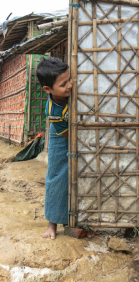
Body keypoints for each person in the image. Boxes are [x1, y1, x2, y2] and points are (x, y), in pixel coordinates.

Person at [36, 57, 72, 239]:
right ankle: (52, 224)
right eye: (63, 84)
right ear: (48, 90)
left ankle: (74, 220)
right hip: (61, 136)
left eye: (70, 79)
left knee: (78, 178)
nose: (70, 85)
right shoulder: (53, 110)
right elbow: (69, 137)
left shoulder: (73, 92)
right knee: (57, 176)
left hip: (73, 132)